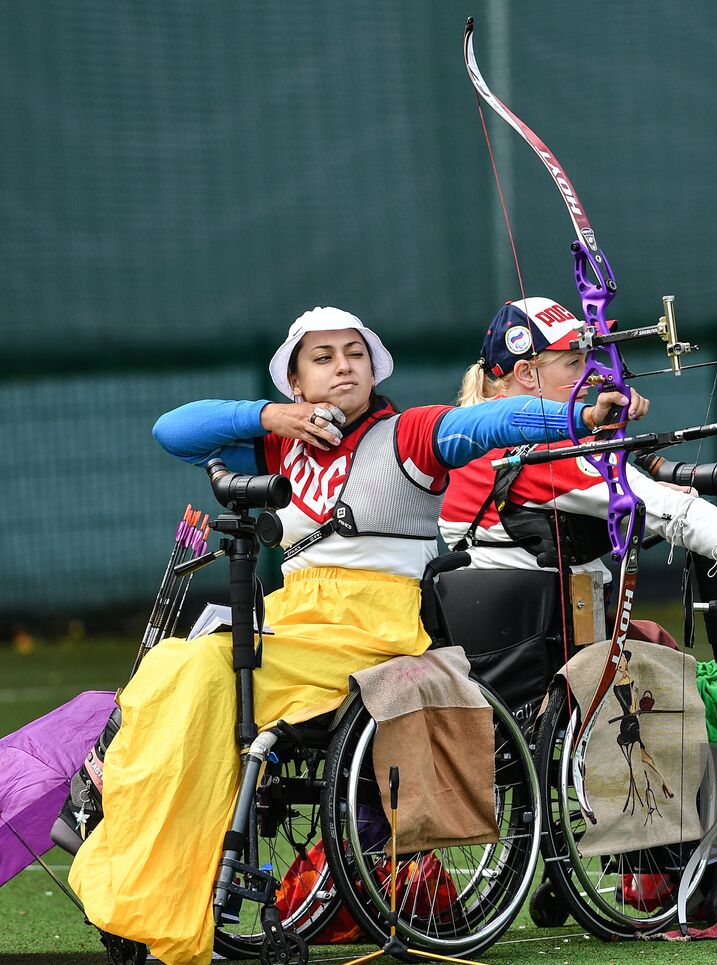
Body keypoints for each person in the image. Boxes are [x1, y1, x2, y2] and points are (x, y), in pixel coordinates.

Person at [67, 306, 637, 965]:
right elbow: (172, 430)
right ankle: (156, 890)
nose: (343, 364)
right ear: (296, 381)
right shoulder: (278, 442)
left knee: (197, 672)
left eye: (354, 353)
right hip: (295, 622)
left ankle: (172, 898)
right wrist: (266, 418)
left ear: (372, 368)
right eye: (323, 356)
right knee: (172, 669)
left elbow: (486, 421)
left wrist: (576, 417)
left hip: (373, 633)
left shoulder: (409, 434)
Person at [439, 297, 717, 598]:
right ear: (526, 373)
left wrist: (617, 478)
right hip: (541, 643)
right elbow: (673, 514)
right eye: (574, 363)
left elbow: (541, 516)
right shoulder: (544, 449)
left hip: (495, 636)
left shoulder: (471, 434)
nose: (591, 375)